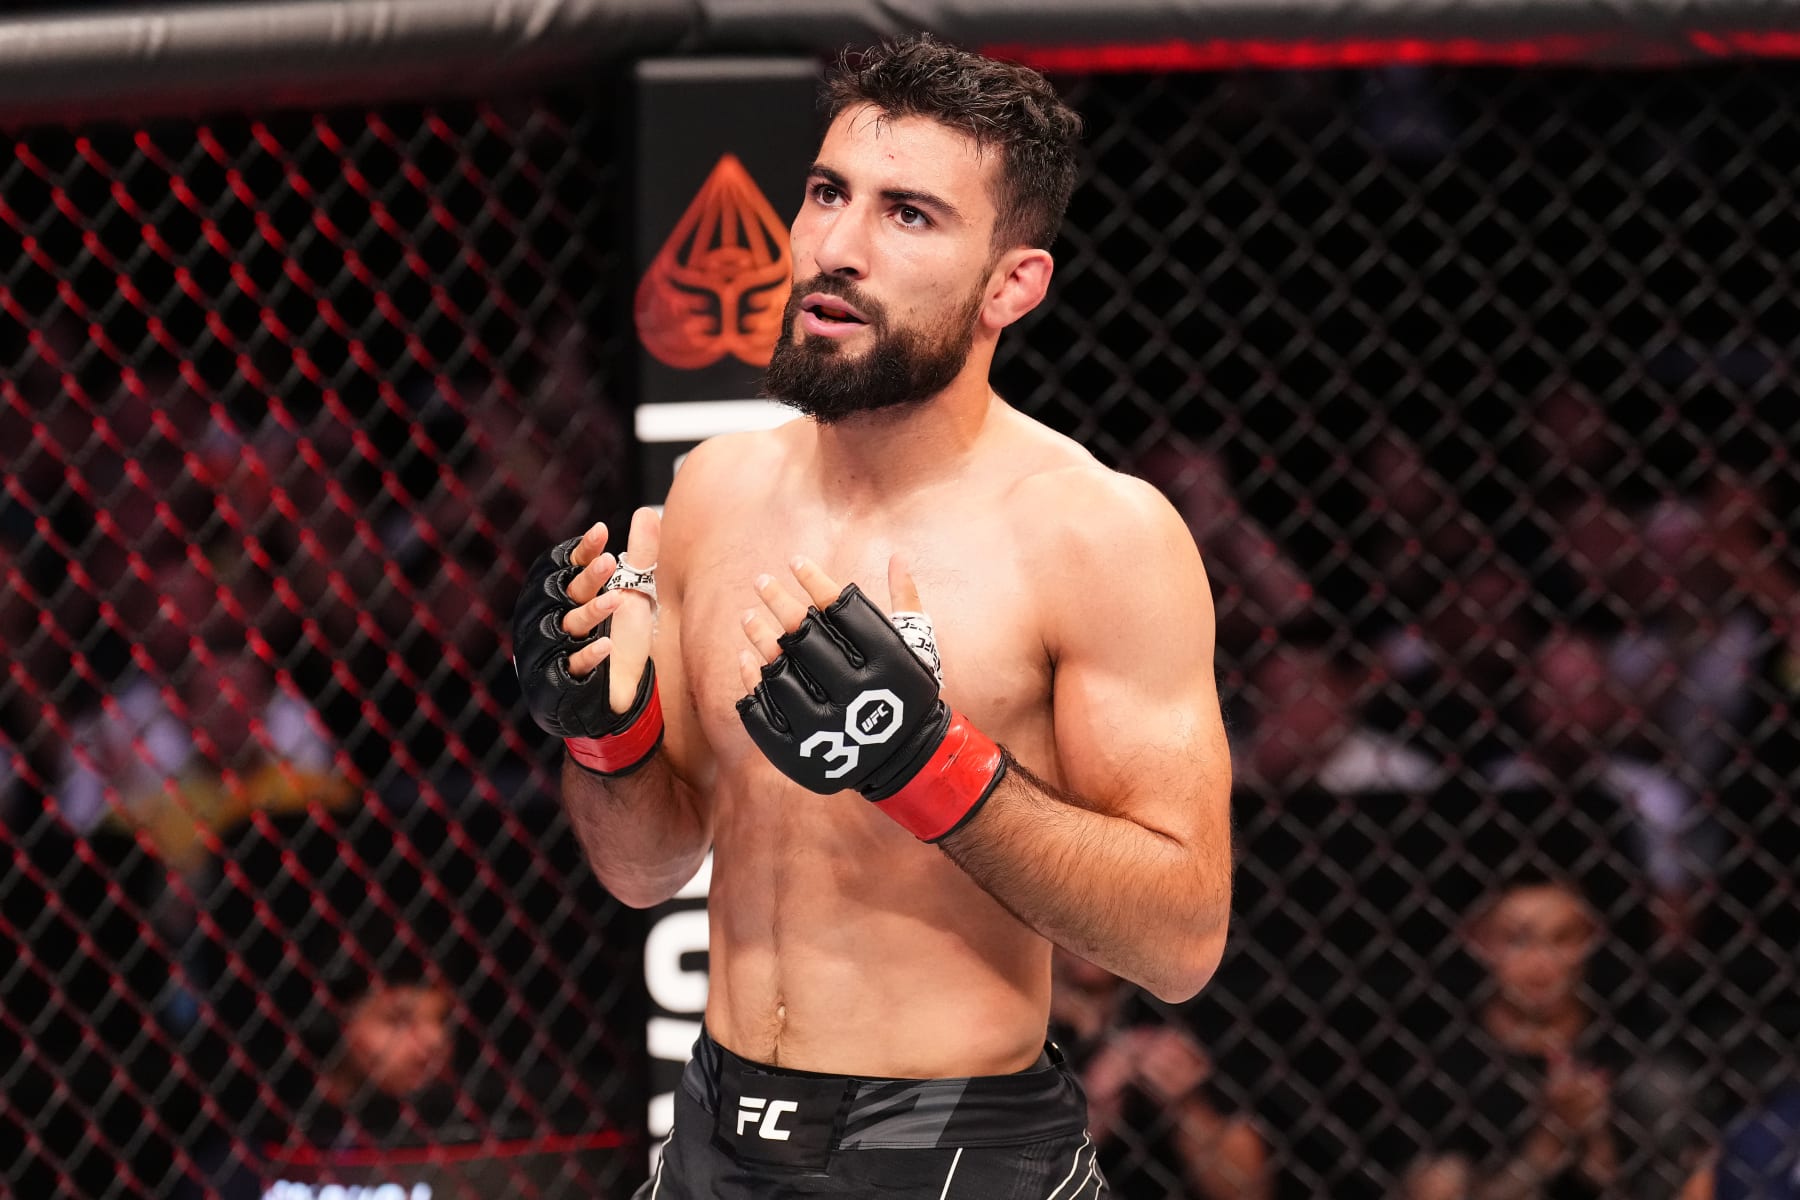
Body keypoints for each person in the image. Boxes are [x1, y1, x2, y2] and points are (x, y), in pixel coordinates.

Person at [512, 33, 1232, 1198]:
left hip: (957, 1146)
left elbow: (1180, 941)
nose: (836, 248)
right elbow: (647, 871)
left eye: (910, 216)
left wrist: (929, 768)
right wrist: (606, 739)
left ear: (1013, 284)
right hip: (714, 1133)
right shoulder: (711, 492)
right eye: (827, 192)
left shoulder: (1096, 533)